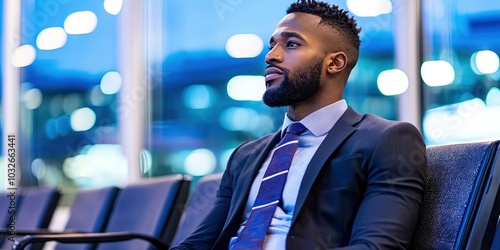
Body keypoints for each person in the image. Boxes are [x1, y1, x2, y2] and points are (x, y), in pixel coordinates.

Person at [171, 0, 427, 249]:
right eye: (272, 46)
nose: (271, 56)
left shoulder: (385, 139)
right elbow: (200, 243)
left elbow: (378, 246)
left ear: (335, 63)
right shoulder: (245, 155)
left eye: (291, 44)